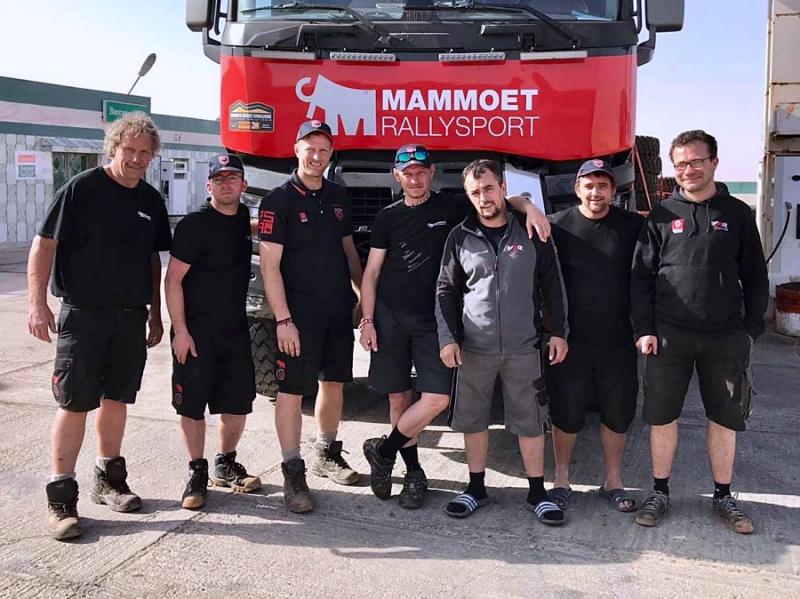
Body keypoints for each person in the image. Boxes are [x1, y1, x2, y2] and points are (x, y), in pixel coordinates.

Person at [360, 145, 551, 509]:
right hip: (390, 318)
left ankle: (383, 450)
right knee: (399, 398)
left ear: (431, 173)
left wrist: (529, 207)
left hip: (435, 322)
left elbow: (495, 199)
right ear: (397, 176)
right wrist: (367, 320)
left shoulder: (453, 206)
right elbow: (371, 273)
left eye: (421, 172)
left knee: (437, 399)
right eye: (407, 174)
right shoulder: (387, 217)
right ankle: (413, 474)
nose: (415, 179)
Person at [27, 113, 171, 540]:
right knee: (74, 403)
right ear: (114, 148)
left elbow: (152, 260)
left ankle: (109, 480)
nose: (137, 159)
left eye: (145, 152)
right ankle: (61, 498)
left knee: (117, 399)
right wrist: (37, 304)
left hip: (129, 317)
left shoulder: (150, 200)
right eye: (129, 150)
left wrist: (155, 311)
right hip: (83, 315)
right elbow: (44, 244)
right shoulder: (81, 189)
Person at [631, 130, 769, 534]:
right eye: (680, 164)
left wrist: (749, 329)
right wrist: (645, 328)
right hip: (668, 336)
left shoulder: (737, 214)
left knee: (724, 417)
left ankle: (724, 495)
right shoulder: (661, 215)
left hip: (724, 336)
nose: (687, 170)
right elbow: (640, 277)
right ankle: (660, 491)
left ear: (713, 163)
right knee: (662, 417)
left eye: (695, 162)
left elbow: (755, 276)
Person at [436, 159, 569, 524]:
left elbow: (552, 284)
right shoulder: (460, 236)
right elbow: (445, 289)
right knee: (473, 420)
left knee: (531, 422)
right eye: (475, 192)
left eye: (489, 189)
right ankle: (476, 488)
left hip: (523, 347)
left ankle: (538, 493)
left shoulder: (530, 231)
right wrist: (449, 338)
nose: (484, 198)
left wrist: (559, 332)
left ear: (503, 189)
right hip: (474, 348)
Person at [258, 120, 363, 514]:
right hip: (297, 316)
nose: (316, 156)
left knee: (333, 383)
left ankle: (326, 453)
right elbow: (269, 267)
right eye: (310, 148)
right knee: (290, 392)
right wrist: (283, 320)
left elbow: (349, 250)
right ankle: (293, 470)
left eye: (323, 150)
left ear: (331, 154)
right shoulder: (278, 200)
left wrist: (363, 298)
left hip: (336, 310)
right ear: (296, 150)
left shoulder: (338, 195)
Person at [546, 159, 644, 513]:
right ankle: (561, 480)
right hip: (569, 340)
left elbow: (647, 278)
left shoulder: (633, 226)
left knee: (617, 412)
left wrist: (645, 328)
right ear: (577, 189)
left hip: (618, 339)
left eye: (603, 185)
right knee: (566, 411)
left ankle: (613, 481)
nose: (595, 192)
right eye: (588, 185)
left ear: (613, 190)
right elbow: (544, 283)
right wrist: (553, 330)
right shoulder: (556, 226)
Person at [165, 154, 262, 510]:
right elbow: (172, 281)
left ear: (243, 185)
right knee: (192, 405)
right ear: (208, 185)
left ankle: (225, 462)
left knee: (237, 402)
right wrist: (180, 331)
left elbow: (254, 228)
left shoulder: (242, 221)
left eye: (232, 178)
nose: (226, 184)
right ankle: (197, 471)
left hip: (235, 330)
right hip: (195, 332)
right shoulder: (193, 225)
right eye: (219, 179)